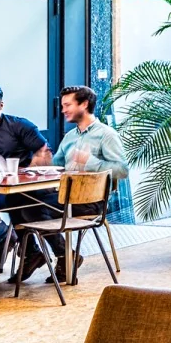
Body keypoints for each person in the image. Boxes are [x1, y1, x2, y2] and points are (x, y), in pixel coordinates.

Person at [27, 86, 130, 284]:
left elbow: (122, 170)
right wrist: (42, 162)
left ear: (84, 104)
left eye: (68, 105)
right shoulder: (70, 137)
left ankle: (63, 257)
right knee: (22, 204)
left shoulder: (106, 135)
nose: (63, 109)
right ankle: (64, 255)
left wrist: (90, 161)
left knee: (34, 209)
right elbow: (57, 167)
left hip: (92, 202)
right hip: (64, 197)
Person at [0, 83, 51, 274]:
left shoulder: (20, 126)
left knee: (21, 201)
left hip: (23, 189)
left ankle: (31, 249)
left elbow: (44, 151)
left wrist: (32, 166)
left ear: (1, 105)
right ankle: (8, 237)